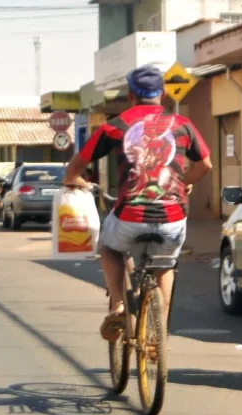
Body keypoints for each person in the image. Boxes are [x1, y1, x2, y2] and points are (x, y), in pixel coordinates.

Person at [63, 65, 213, 341]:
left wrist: (79, 183)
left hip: (130, 214)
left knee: (110, 249)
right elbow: (205, 164)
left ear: (131, 94)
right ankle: (160, 332)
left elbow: (74, 169)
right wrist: (184, 182)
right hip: (173, 217)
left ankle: (118, 304)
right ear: (164, 93)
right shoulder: (182, 124)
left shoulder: (115, 125)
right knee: (165, 265)